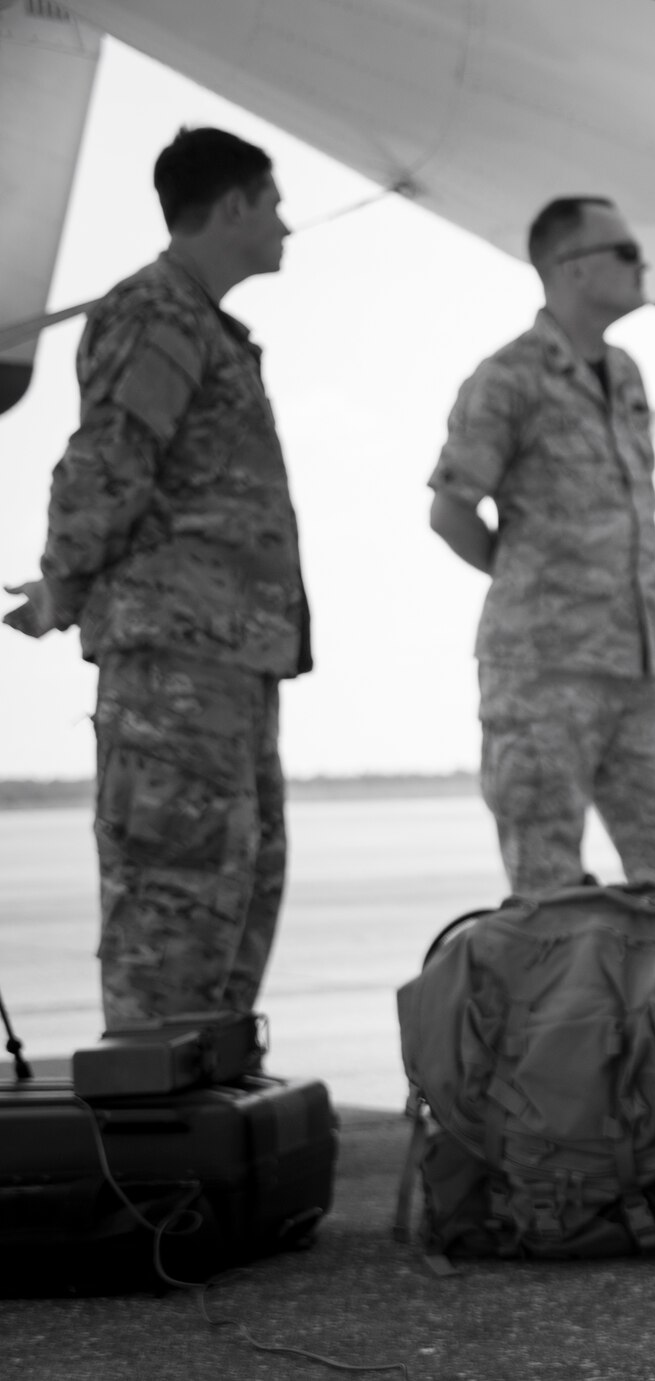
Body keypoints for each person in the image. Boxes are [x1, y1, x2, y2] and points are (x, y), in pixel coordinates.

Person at [3, 128, 307, 1025]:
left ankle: (207, 1124)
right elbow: (109, 459)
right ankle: (151, 1142)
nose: (287, 223)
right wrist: (64, 580)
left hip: (227, 659)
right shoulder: (157, 314)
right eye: (275, 202)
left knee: (239, 884)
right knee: (172, 905)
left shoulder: (201, 323)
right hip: (175, 662)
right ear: (235, 206)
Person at [429, 197, 655, 898]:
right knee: (547, 893)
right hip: (541, 677)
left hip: (635, 674)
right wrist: (530, 580)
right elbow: (451, 509)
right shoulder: (508, 379)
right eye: (624, 251)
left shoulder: (627, 375)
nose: (641, 264)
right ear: (572, 269)